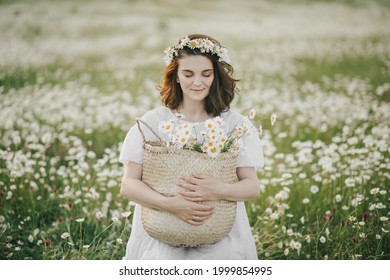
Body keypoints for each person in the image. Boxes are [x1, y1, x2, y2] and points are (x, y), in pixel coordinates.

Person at [119, 34, 264, 259]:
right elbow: (128, 185)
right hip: (161, 232)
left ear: (215, 76)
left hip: (219, 233)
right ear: (175, 76)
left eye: (206, 74)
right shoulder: (154, 122)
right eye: (188, 74)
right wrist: (170, 205)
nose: (197, 82)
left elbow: (252, 188)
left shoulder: (234, 125)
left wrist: (218, 189)